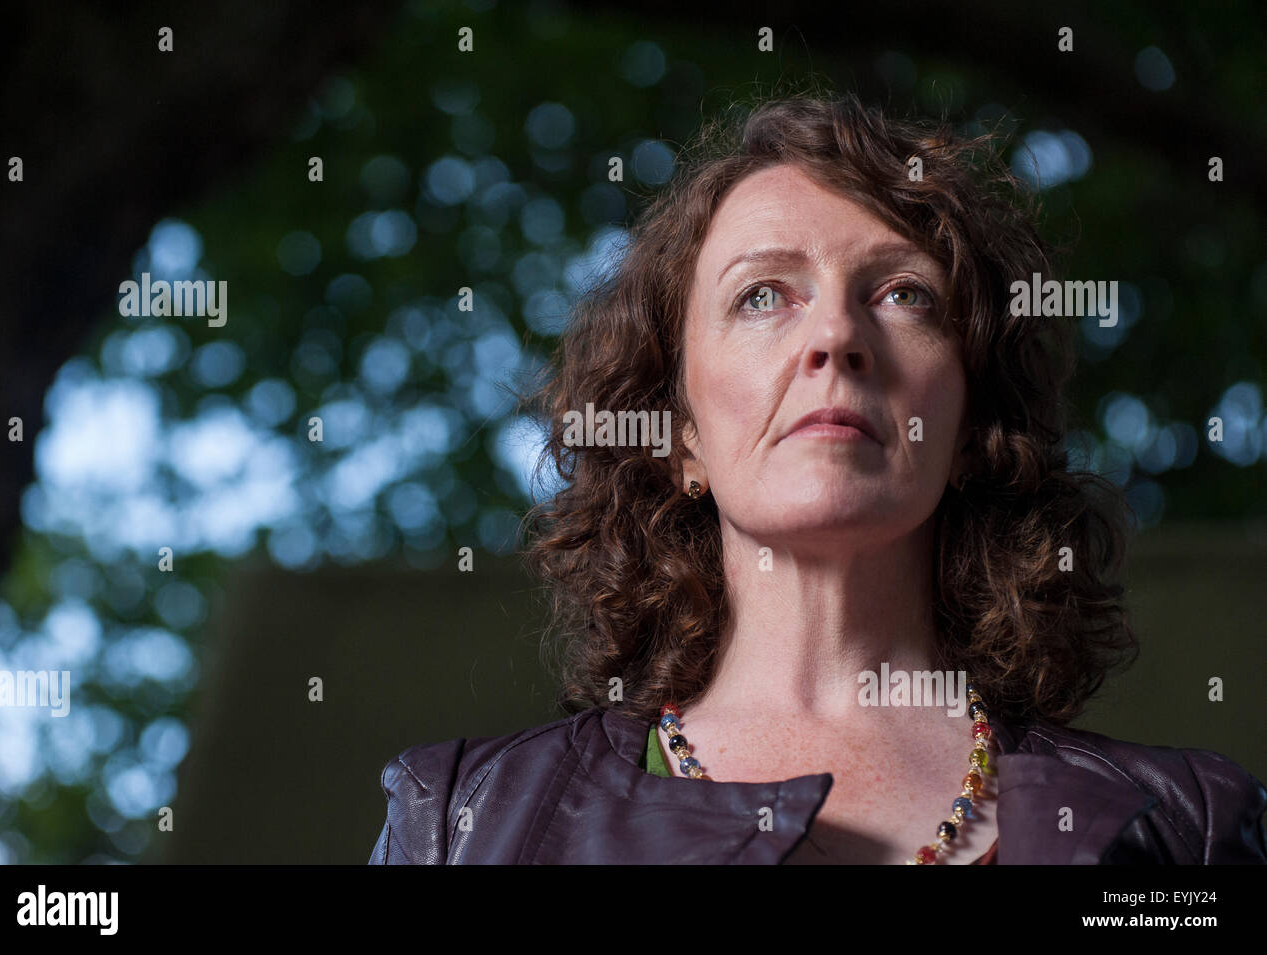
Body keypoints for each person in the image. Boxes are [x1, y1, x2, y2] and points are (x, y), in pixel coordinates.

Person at [367, 89, 1267, 865]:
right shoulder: (462, 825)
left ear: (967, 430)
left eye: (904, 293)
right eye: (763, 294)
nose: (835, 336)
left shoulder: (1190, 829)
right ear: (681, 436)